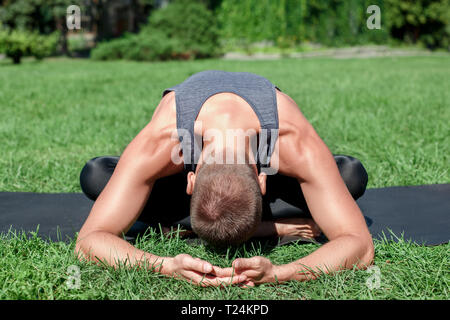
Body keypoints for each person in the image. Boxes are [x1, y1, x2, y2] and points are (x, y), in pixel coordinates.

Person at [75, 70, 374, 287]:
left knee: (350, 175)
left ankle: (184, 227)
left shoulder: (291, 140)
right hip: (195, 171)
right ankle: (265, 224)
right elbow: (88, 242)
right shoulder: (164, 140)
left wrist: (280, 273)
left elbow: (361, 246)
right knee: (97, 175)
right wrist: (166, 267)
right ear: (189, 181)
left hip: (267, 166)